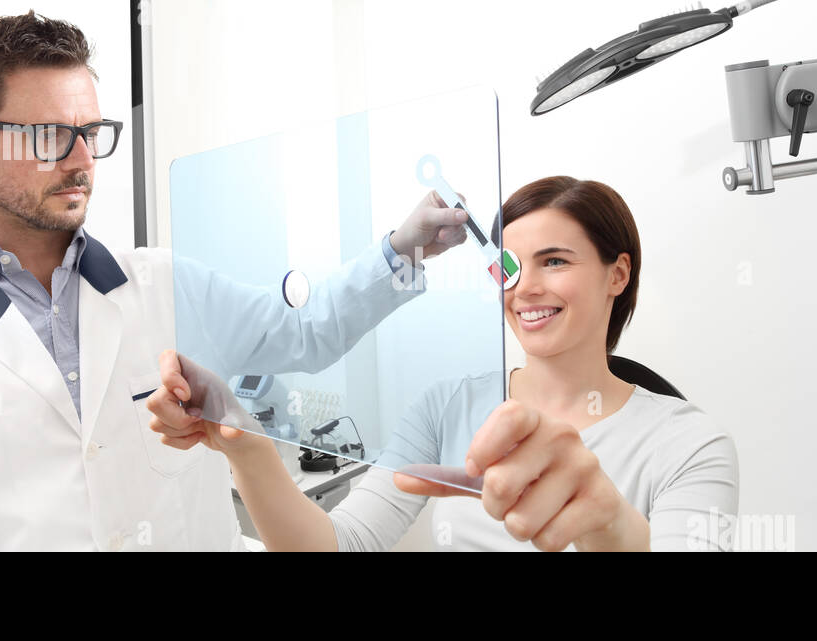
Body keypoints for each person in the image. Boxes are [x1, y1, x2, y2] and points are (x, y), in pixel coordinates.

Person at [0, 11, 468, 551]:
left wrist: (403, 250)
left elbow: (305, 332)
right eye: (51, 136)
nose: (83, 160)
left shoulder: (161, 283)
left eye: (89, 133)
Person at [148, 176, 739, 551]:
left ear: (618, 273)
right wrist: (244, 445)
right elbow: (340, 546)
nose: (525, 286)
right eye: (507, 266)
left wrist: (606, 525)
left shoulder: (689, 443)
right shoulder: (446, 409)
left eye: (555, 262)